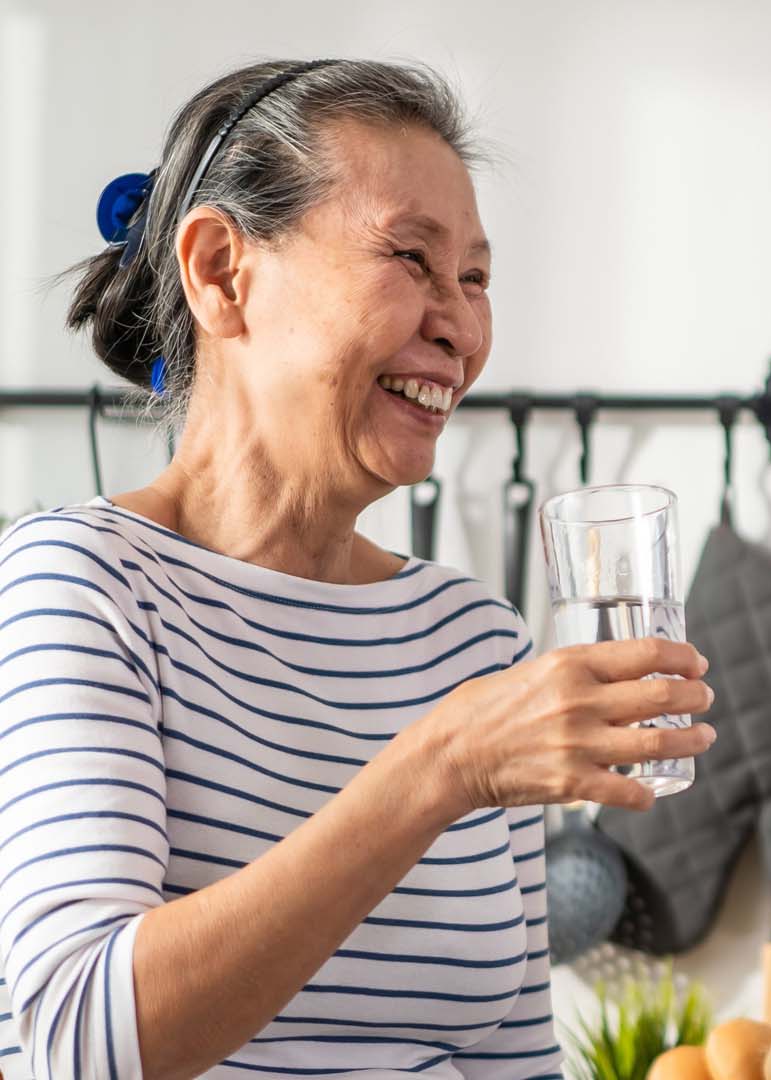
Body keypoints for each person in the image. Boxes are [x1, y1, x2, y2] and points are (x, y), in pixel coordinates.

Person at [0, 59, 715, 1078]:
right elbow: (84, 1041)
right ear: (220, 272)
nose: (461, 328)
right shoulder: (80, 584)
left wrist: (460, 745)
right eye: (409, 258)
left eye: (474, 277)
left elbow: (512, 1056)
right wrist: (439, 767)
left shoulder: (475, 639)